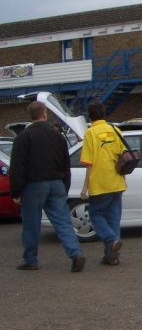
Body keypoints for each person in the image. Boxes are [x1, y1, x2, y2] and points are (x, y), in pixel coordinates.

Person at [9, 101, 86, 272]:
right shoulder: (57, 136)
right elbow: (66, 164)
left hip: (33, 185)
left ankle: (31, 260)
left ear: (31, 116)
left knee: (31, 224)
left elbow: (17, 166)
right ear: (45, 114)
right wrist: (65, 186)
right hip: (57, 183)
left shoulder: (23, 137)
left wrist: (16, 191)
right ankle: (75, 253)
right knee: (63, 222)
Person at [80, 102, 126, 266]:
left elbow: (89, 163)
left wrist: (85, 187)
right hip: (117, 181)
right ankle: (112, 256)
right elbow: (123, 155)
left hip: (99, 182)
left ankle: (111, 240)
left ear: (90, 116)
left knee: (96, 215)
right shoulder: (115, 130)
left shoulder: (90, 133)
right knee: (113, 219)